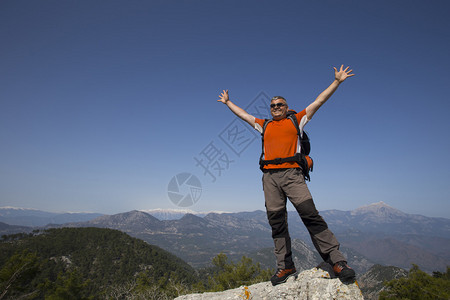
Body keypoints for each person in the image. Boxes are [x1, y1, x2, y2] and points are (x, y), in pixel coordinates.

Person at [217, 65, 356, 286]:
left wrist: (337, 82)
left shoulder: (297, 120)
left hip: (292, 175)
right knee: (277, 224)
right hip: (269, 179)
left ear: (287, 107)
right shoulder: (264, 125)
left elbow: (318, 101)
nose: (275, 108)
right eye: (272, 106)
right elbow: (244, 116)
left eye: (279, 105)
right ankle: (285, 266)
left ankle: (337, 261)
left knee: (310, 216)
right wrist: (227, 103)